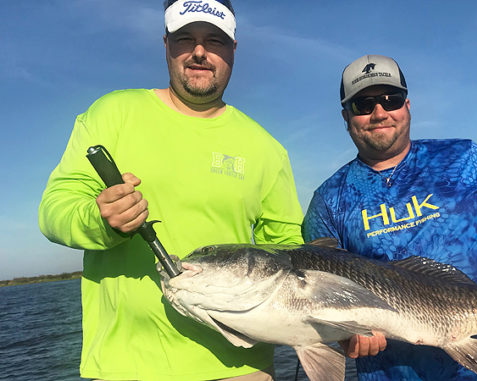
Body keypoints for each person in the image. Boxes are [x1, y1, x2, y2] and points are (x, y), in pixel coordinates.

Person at [38, 1, 303, 380]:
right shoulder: (112, 114)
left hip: (242, 367)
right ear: (166, 44)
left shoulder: (267, 148)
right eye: (185, 39)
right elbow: (54, 209)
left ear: (232, 49)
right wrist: (101, 221)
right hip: (125, 366)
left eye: (214, 40)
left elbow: (289, 247)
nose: (199, 51)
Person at [301, 54, 477, 380]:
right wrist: (347, 336)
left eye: (391, 99)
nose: (380, 113)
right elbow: (321, 299)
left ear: (408, 105)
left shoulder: (465, 159)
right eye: (364, 104)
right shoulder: (327, 200)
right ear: (346, 116)